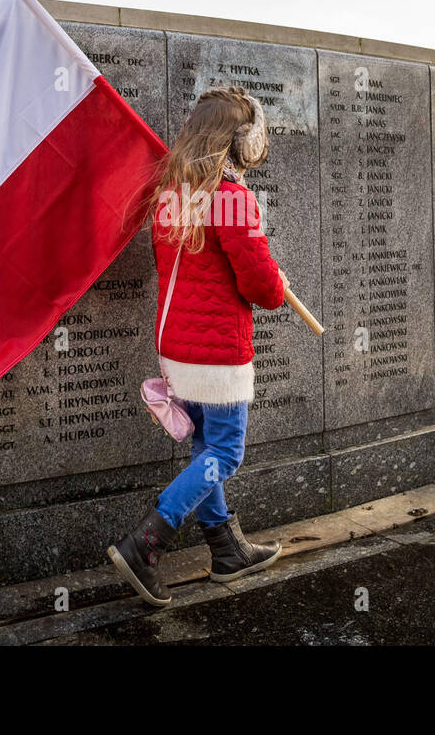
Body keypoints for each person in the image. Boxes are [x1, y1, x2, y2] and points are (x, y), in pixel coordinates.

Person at [107, 86, 287, 607]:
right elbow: (262, 289)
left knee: (206, 449)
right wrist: (275, 279)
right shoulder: (232, 199)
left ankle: (226, 550)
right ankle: (147, 541)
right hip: (217, 357)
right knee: (225, 452)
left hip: (178, 349)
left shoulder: (172, 197)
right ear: (235, 143)